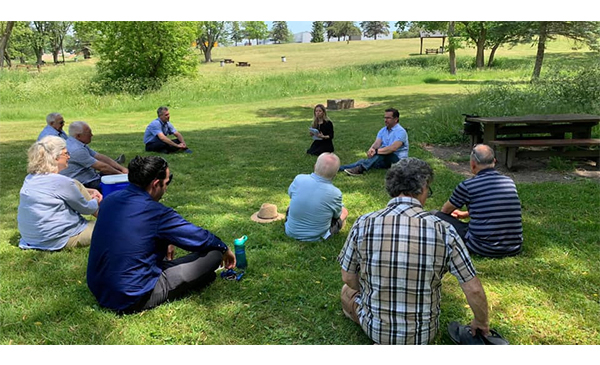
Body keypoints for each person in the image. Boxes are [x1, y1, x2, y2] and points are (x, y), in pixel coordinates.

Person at [338, 158, 490, 345]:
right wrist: (481, 322)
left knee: (347, 291)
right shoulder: (444, 229)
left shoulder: (364, 223)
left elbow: (348, 277)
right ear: (423, 188)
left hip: (376, 331)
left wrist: (371, 289)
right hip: (423, 334)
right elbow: (473, 289)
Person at [87, 156, 235, 313]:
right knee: (214, 255)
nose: (166, 188)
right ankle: (200, 277)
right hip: (132, 296)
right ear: (156, 184)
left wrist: (167, 239)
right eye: (167, 182)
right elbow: (199, 238)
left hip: (99, 288)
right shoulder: (157, 213)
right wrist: (224, 248)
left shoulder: (110, 200)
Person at [436, 144, 523, 258]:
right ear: (494, 162)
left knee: (436, 215)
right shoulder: (508, 182)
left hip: (482, 247)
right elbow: (495, 208)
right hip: (514, 247)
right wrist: (466, 214)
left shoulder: (467, 185)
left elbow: (445, 211)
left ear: (472, 164)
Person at [17, 136, 102, 251]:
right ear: (55, 158)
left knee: (75, 184)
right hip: (57, 239)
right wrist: (95, 201)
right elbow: (86, 209)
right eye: (66, 154)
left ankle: (105, 217)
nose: (69, 157)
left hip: (31, 239)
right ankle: (107, 218)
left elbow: (59, 190)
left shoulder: (30, 178)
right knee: (110, 228)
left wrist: (88, 191)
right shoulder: (63, 183)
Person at [285, 153, 349, 241]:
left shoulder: (299, 179)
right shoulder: (335, 193)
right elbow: (336, 215)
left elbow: (290, 194)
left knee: (291, 206)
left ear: (315, 166)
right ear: (335, 174)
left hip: (290, 231)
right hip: (318, 237)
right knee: (344, 211)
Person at [60, 121, 127, 192]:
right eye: (88, 133)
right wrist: (123, 176)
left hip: (90, 177)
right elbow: (102, 167)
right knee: (120, 185)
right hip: (86, 183)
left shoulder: (76, 143)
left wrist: (122, 169)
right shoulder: (77, 150)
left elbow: (99, 157)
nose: (92, 135)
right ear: (78, 136)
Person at [339, 108, 409, 176]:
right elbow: (376, 144)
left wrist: (376, 151)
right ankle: (338, 168)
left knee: (382, 153)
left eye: (388, 118)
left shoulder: (401, 131)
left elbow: (393, 148)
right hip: (385, 160)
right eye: (385, 118)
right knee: (363, 161)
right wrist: (371, 150)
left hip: (397, 161)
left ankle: (361, 169)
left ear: (396, 119)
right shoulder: (383, 130)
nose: (385, 120)